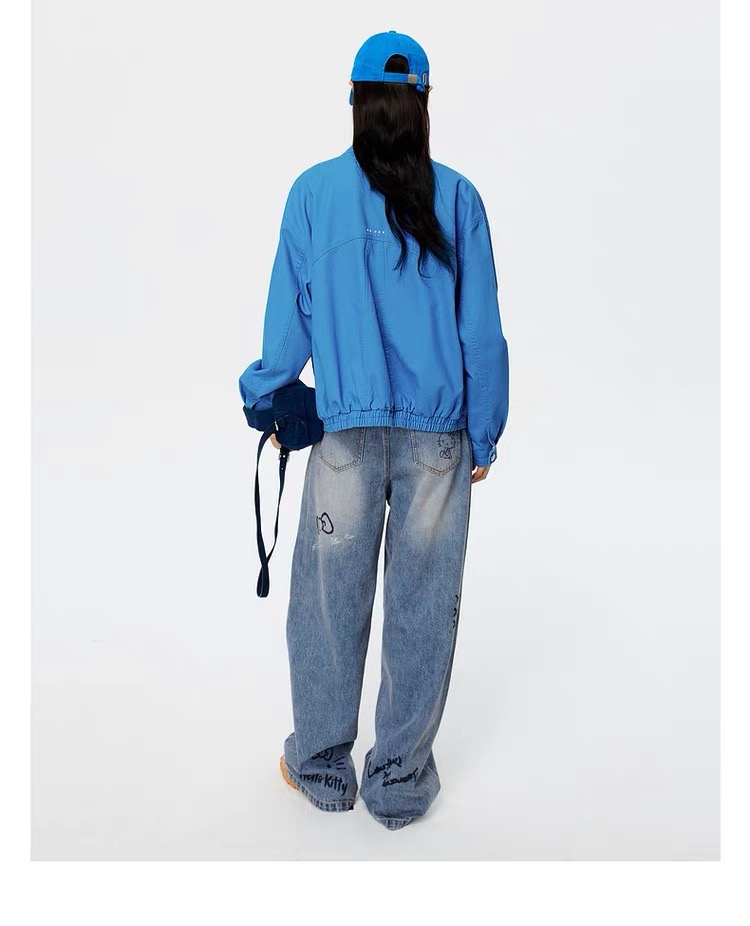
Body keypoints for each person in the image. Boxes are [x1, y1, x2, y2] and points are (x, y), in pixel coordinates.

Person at [238, 30, 509, 830]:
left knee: (328, 604)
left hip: (346, 440)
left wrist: (271, 394)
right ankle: (398, 782)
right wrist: (484, 431)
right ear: (423, 104)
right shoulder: (459, 199)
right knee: (424, 607)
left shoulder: (313, 194)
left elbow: (287, 321)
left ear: (355, 101)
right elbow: (481, 333)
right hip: (439, 443)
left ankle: (322, 768)